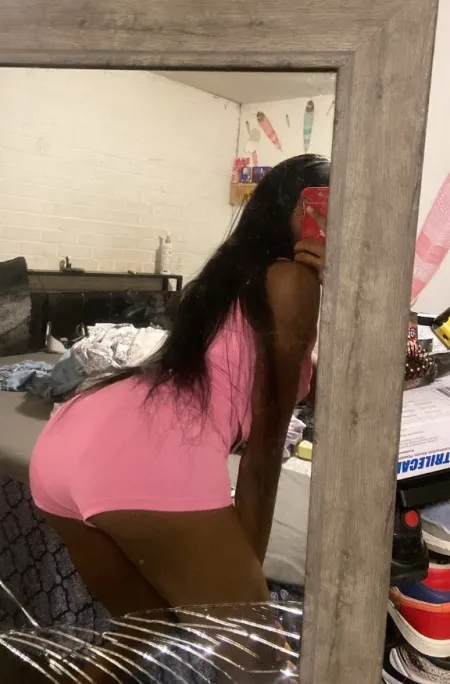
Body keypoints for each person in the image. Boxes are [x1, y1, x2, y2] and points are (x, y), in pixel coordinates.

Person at [30, 154, 329, 622]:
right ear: (288, 208)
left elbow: (324, 387)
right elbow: (264, 454)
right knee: (251, 652)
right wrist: (243, 589)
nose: (333, 223)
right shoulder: (293, 281)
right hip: (147, 456)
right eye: (322, 206)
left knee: (142, 641)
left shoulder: (235, 280)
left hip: (67, 440)